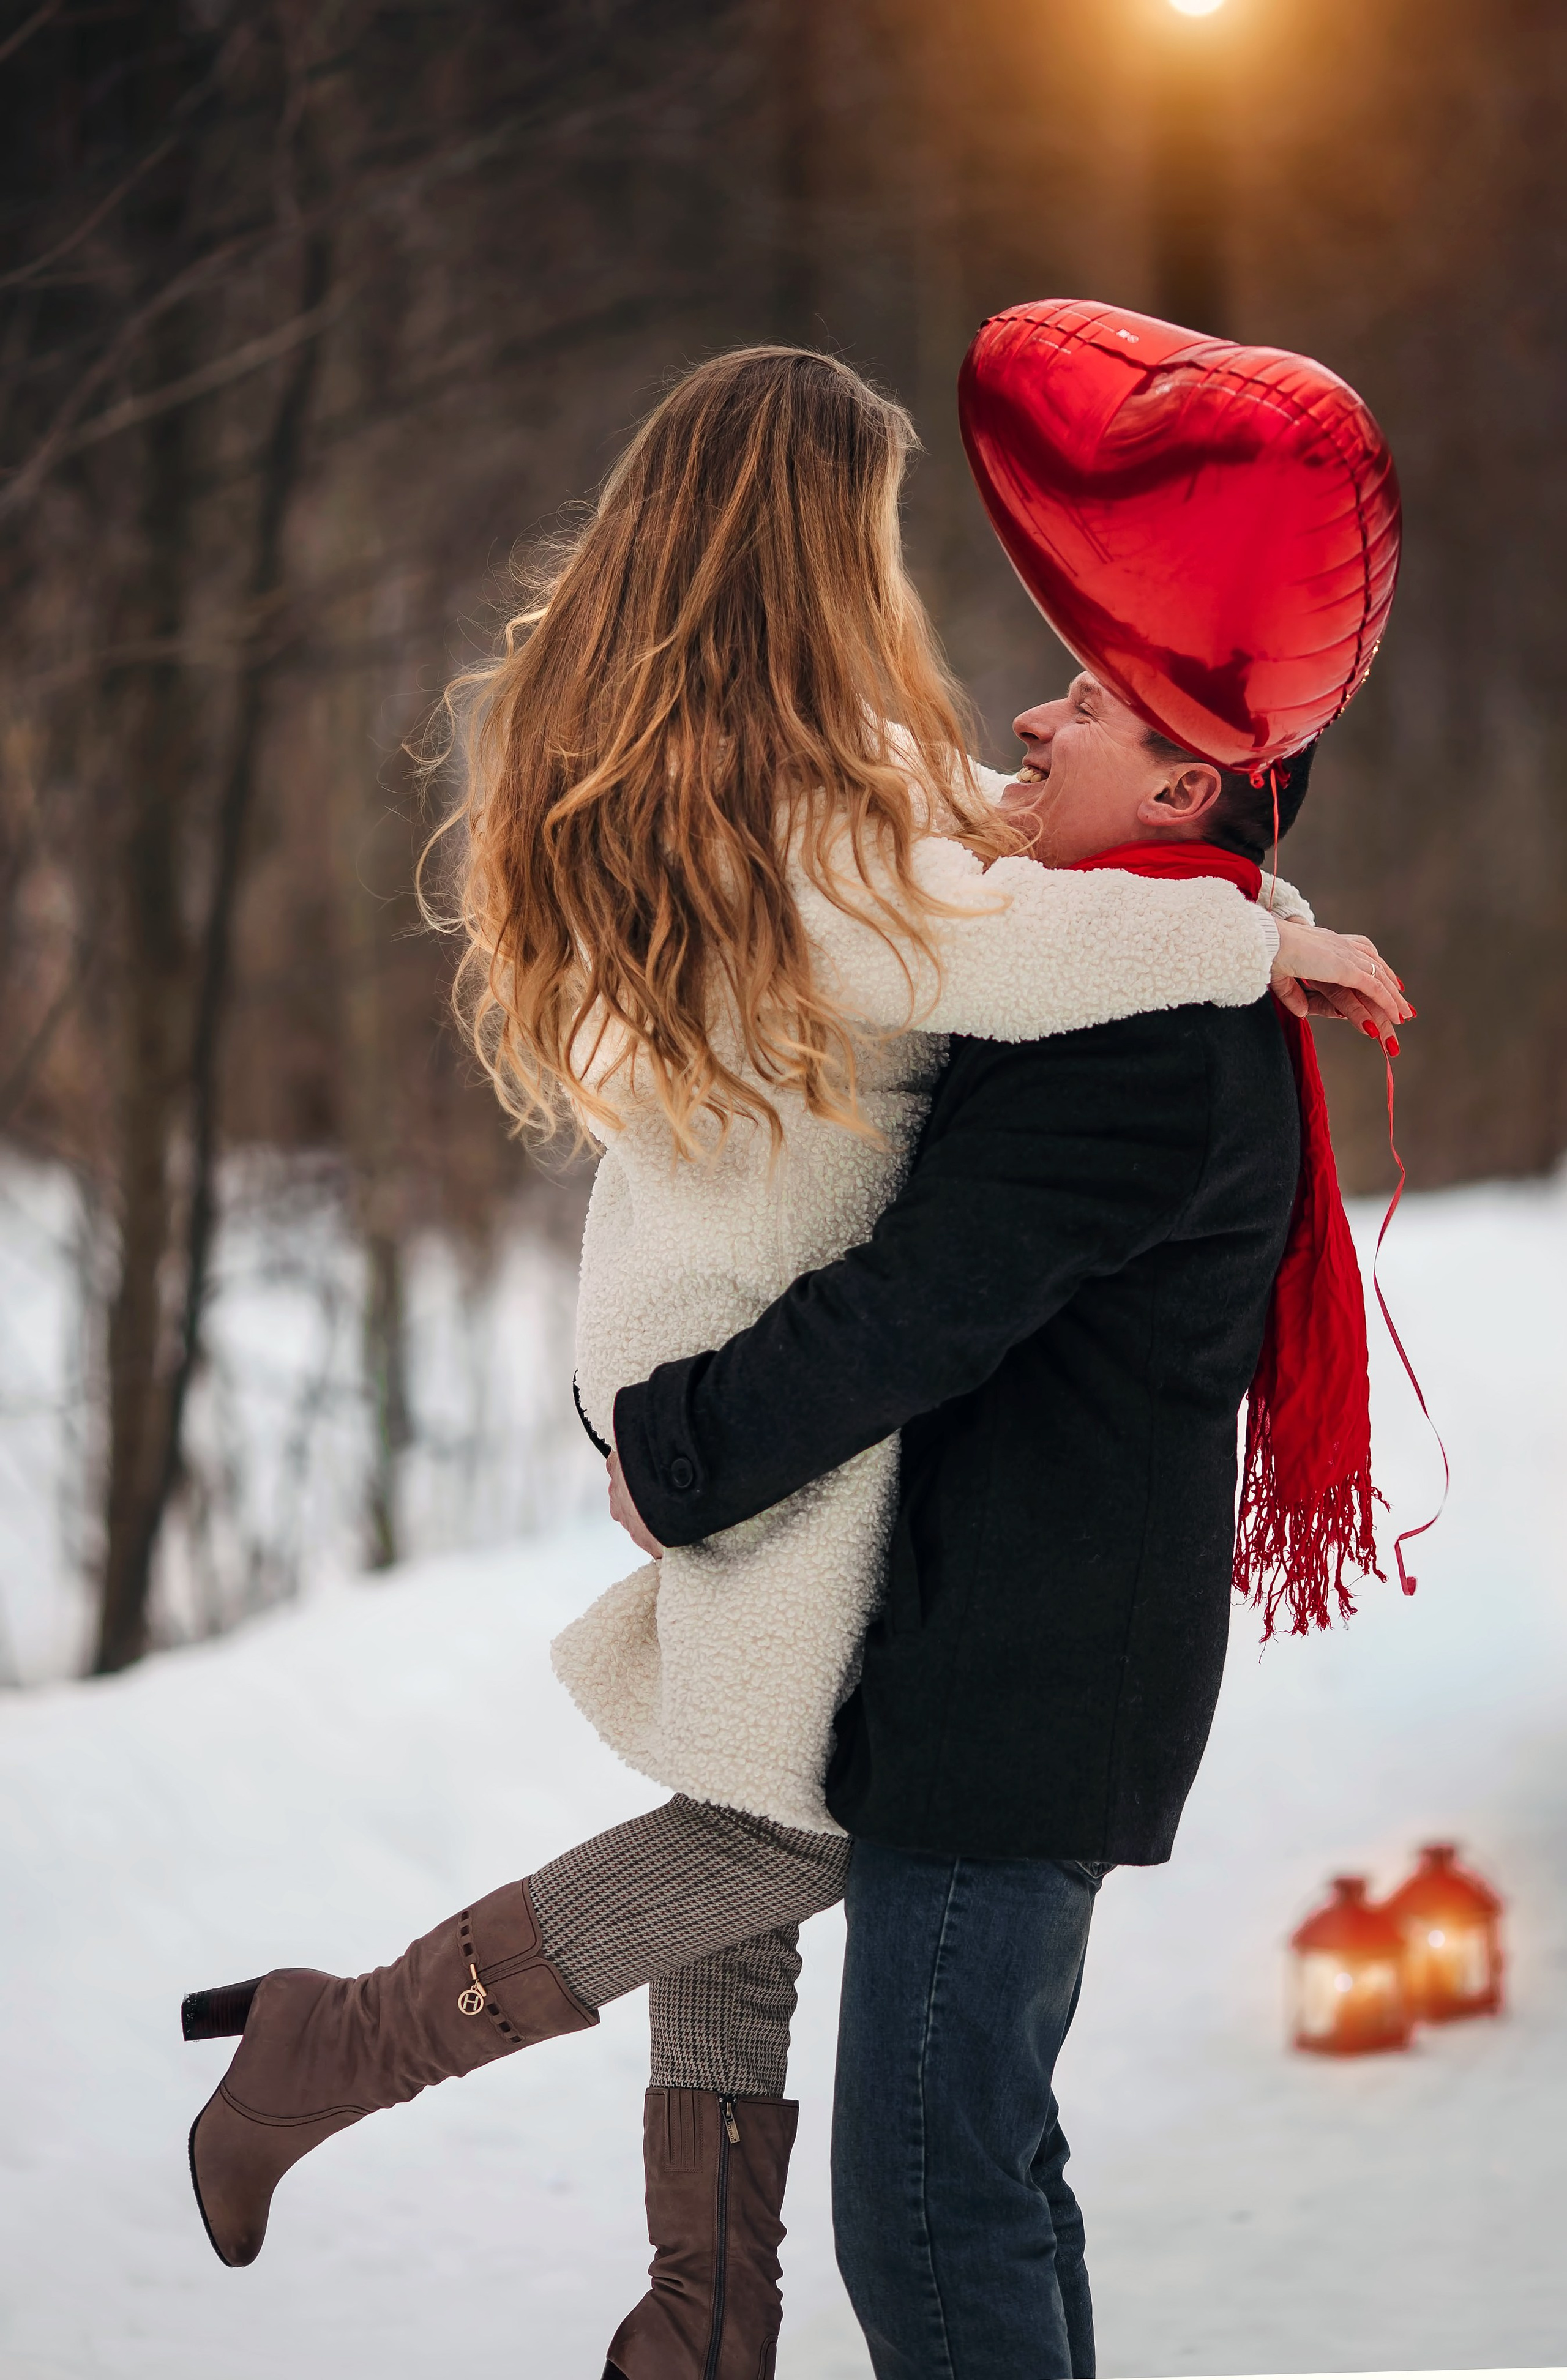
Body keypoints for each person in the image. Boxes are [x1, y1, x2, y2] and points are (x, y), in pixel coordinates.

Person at [179, 348, 1405, 2379]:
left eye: (1086, 698)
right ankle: (345, 2049)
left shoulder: (822, 780)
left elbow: (1012, 875)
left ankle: (702, 2314)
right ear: (814, 555)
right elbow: (1008, 934)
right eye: (879, 533)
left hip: (726, 1333)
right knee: (772, 1828)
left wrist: (1248, 897)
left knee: (758, 1820)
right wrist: (1270, 937)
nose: (1013, 698)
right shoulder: (802, 818)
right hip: (730, 1359)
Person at [602, 664, 1399, 2378]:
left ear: (1182, 793)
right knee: (985, 2174)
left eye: (1089, 709)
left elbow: (919, 1303)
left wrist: (676, 1449)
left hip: (1020, 1689)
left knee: (927, 2205)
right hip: (1021, 1671)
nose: (1032, 723)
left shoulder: (1148, 1036)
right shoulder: (1144, 970)